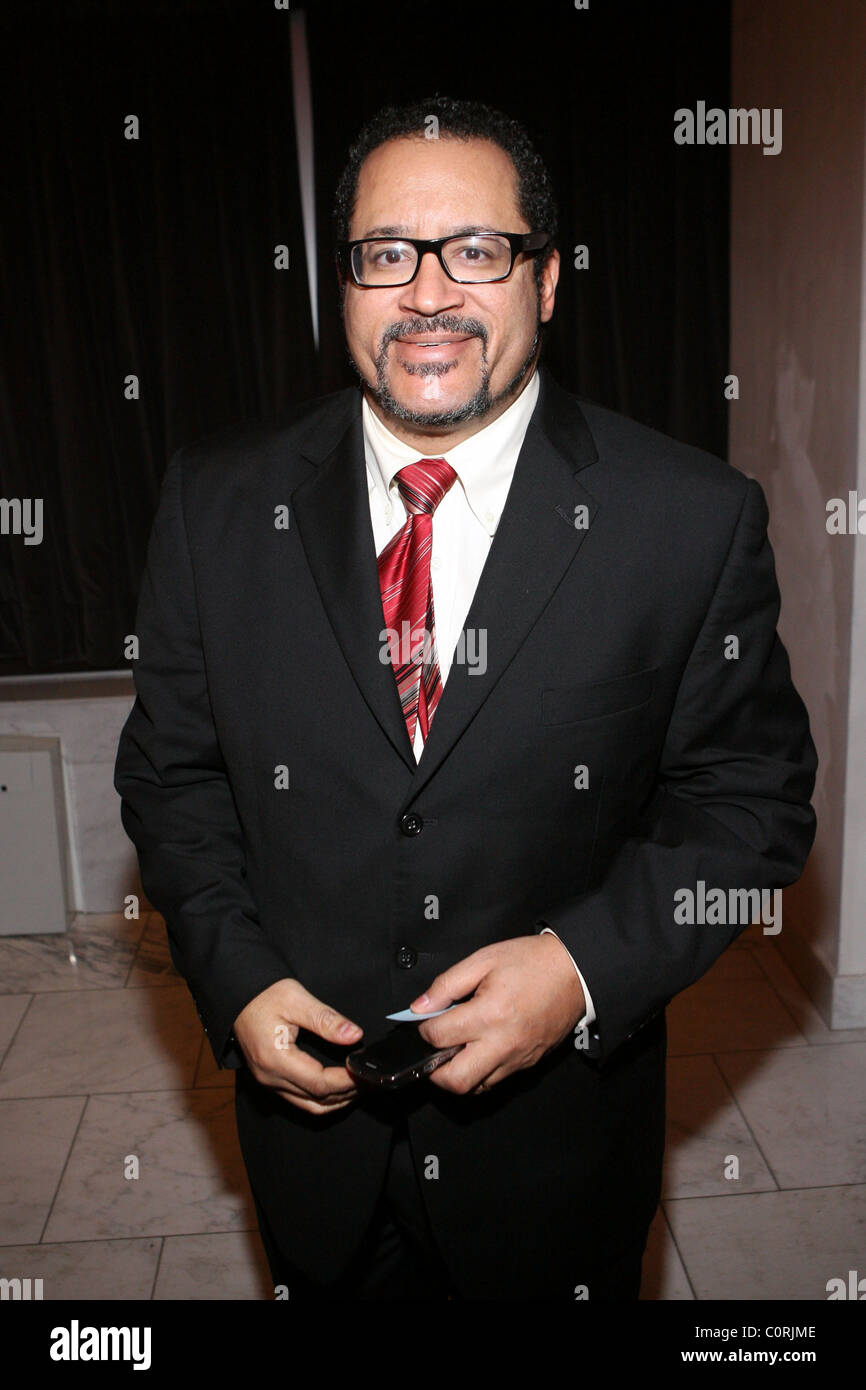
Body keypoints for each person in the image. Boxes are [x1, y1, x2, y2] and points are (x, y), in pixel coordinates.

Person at [114, 97, 817, 1301]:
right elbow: (171, 779)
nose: (426, 294)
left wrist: (579, 969)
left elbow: (752, 804)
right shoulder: (215, 504)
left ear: (543, 280)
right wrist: (235, 977)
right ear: (341, 283)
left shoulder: (686, 520)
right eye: (386, 253)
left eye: (475, 251)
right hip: (311, 1158)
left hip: (556, 1164)